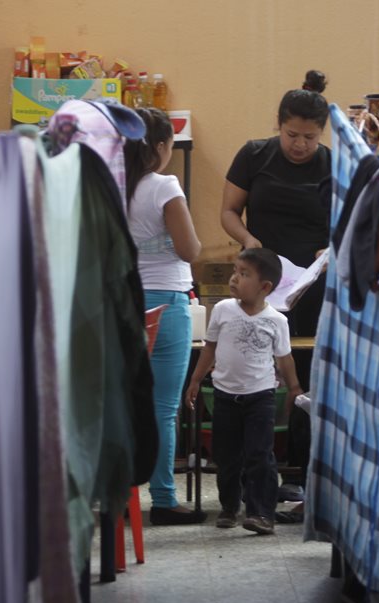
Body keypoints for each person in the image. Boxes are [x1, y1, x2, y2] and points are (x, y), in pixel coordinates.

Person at [219, 70, 331, 509]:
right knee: (256, 369)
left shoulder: (332, 165)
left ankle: (303, 471)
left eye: (309, 137)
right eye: (291, 135)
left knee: (306, 370)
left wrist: (329, 248)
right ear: (278, 125)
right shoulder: (255, 155)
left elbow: (347, 220)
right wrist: (248, 241)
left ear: (321, 134)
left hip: (314, 282)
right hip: (263, 281)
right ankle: (257, 476)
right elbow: (229, 211)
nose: (300, 145)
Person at [184, 248, 303, 535]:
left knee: (260, 455)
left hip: (260, 398)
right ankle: (229, 507)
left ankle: (261, 514)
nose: (234, 278)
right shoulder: (223, 309)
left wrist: (294, 388)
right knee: (226, 456)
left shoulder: (277, 320)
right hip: (225, 396)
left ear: (265, 287)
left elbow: (284, 358)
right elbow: (209, 347)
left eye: (244, 274)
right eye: (235, 271)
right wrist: (196, 380)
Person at [125, 107, 207, 525]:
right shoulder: (163, 186)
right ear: (159, 146)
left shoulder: (111, 183)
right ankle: (163, 499)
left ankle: (118, 498)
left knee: (121, 402)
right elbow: (190, 250)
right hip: (166, 301)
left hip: (122, 301)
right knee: (162, 407)